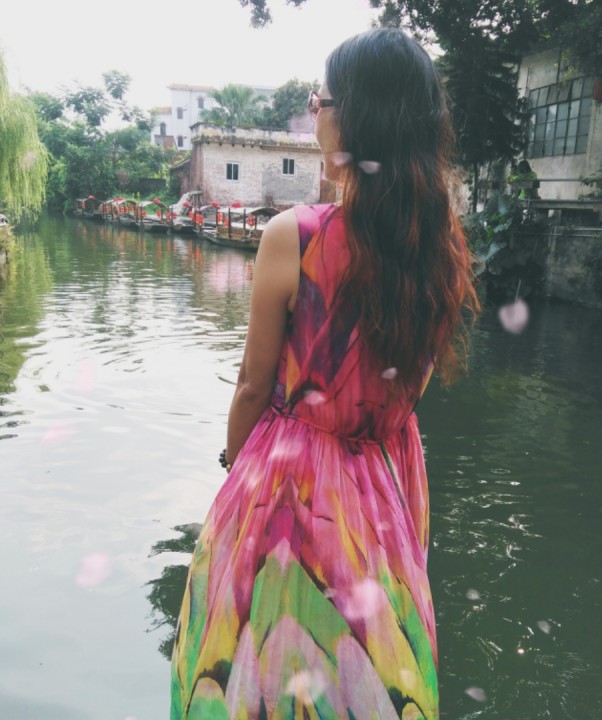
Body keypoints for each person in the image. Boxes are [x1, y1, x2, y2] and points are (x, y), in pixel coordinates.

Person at [170, 28, 479, 719]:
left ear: (355, 117)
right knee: (368, 659)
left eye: (320, 100)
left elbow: (254, 384)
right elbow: (408, 385)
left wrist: (235, 465)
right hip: (386, 477)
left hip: (292, 482)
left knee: (263, 666)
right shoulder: (440, 247)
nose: (314, 114)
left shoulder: (296, 236)